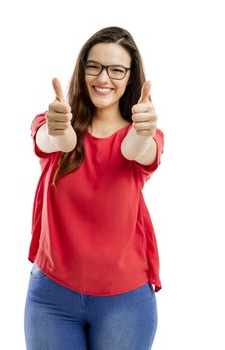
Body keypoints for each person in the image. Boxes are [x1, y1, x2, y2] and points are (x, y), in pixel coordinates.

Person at [24, 26, 164, 350]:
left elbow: (135, 150)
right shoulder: (52, 121)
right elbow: (53, 140)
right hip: (51, 299)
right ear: (82, 68)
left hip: (125, 303)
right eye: (94, 66)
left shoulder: (145, 137)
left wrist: (142, 132)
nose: (104, 78)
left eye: (117, 70)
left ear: (130, 77)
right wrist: (61, 130)